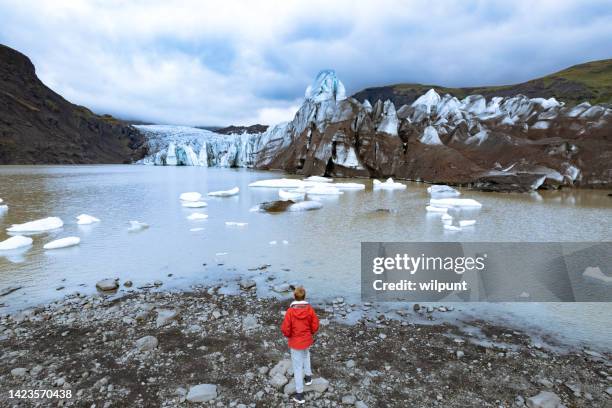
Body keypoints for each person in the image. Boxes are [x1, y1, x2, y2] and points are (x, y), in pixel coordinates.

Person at [281, 286, 319, 404]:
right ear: (304, 296)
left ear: (294, 296)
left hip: (295, 342)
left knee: (297, 367)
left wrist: (289, 336)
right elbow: (315, 325)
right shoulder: (310, 309)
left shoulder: (290, 312)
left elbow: (285, 329)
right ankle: (308, 378)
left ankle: (300, 395)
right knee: (306, 356)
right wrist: (310, 333)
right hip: (306, 340)